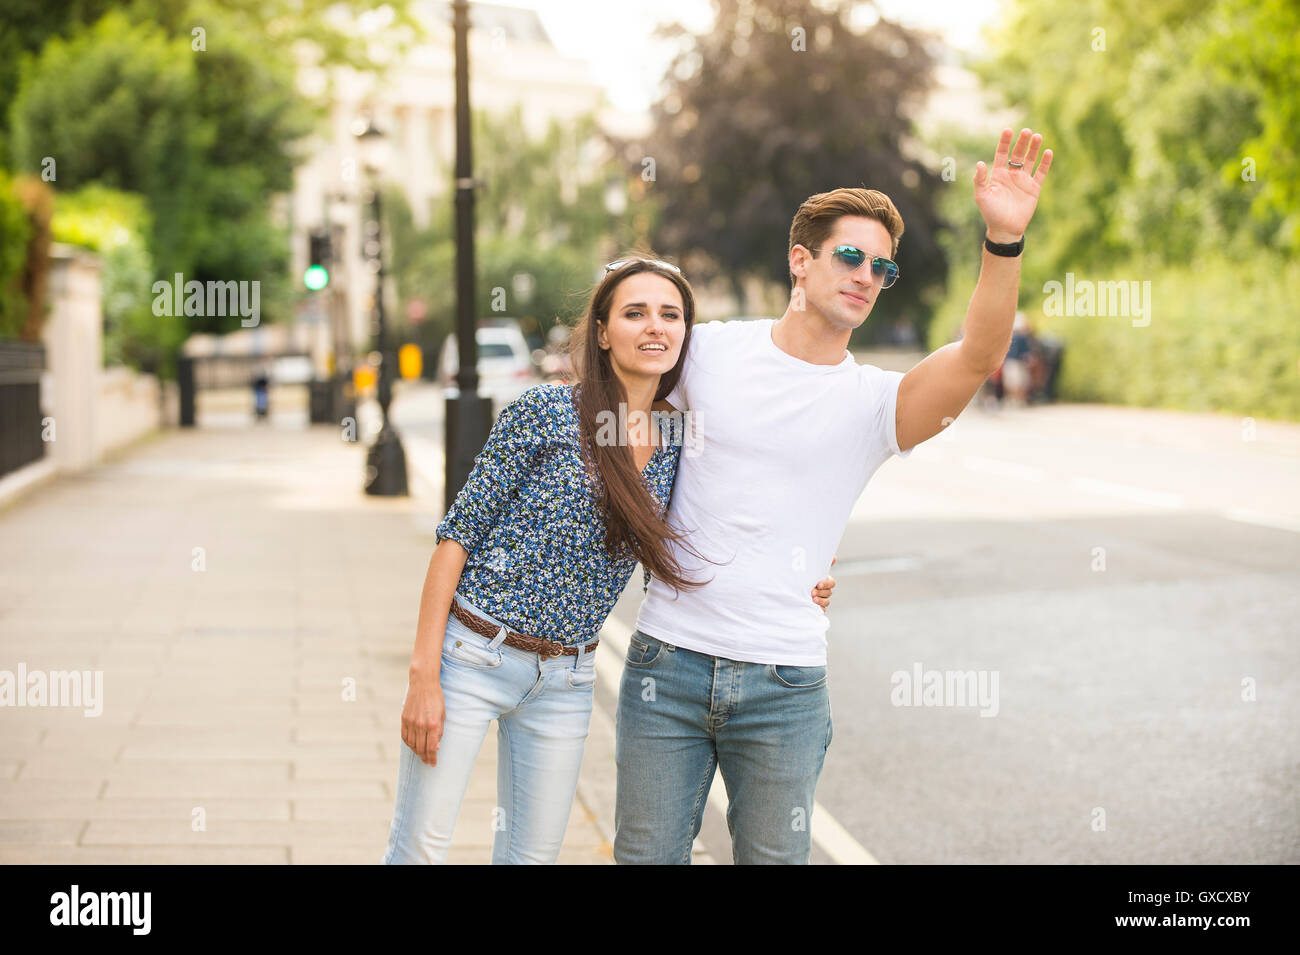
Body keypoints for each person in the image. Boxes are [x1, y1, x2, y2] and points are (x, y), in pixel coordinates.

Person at [614, 127, 1055, 864]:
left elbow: (978, 356)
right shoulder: (710, 350)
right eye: (850, 255)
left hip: (784, 685)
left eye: (882, 267)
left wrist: (1002, 242)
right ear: (801, 259)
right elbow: (617, 382)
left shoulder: (876, 406)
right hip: (669, 664)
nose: (865, 274)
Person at [380, 255, 841, 864]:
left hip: (567, 680)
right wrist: (423, 676)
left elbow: (724, 518)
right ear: (602, 331)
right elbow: (455, 538)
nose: (655, 327)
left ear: (685, 334)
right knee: (421, 850)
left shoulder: (678, 437)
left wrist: (801, 572)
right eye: (635, 313)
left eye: (670, 315)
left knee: (531, 859)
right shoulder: (543, 412)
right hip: (473, 655)